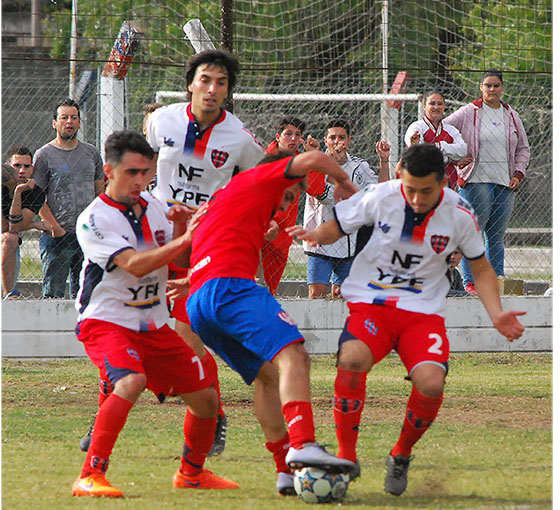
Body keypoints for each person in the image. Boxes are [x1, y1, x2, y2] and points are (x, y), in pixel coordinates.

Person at [287, 143, 525, 496]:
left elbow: (480, 266)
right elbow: (338, 223)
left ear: (443, 184)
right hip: (373, 303)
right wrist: (315, 236)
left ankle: (400, 455)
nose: (415, 198)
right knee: (352, 359)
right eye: (409, 188)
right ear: (399, 175)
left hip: (422, 312)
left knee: (431, 383)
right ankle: (347, 457)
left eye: (426, 191)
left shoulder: (460, 213)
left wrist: (497, 313)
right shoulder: (380, 195)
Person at [72, 130, 237, 498]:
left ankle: (191, 474)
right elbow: (132, 265)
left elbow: (178, 262)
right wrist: (183, 238)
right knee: (130, 382)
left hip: (153, 323)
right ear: (109, 171)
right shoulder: (95, 218)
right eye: (132, 172)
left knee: (207, 400)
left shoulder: (157, 207)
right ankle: (89, 475)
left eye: (146, 172)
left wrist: (180, 229)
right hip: (107, 322)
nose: (140, 181)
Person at [186, 150, 358, 495]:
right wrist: (344, 183)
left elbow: (197, 242)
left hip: (199, 299)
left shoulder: (226, 196)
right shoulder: (261, 178)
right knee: (294, 355)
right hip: (230, 286)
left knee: (267, 376)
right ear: (281, 177)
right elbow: (313, 158)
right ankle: (303, 442)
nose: (285, 204)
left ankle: (283, 469)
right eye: (291, 194)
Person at [145, 49, 265, 457]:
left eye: (221, 83)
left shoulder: (241, 139)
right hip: (156, 237)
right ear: (190, 84)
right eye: (205, 80)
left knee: (189, 338)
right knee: (128, 325)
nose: (212, 89)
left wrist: (242, 217)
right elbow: (137, 164)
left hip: (204, 242)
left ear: (228, 91)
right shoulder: (161, 121)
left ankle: (212, 418)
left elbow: (259, 186)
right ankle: (104, 417)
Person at [445, 70, 530, 295]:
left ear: (502, 88)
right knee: (472, 233)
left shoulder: (511, 114)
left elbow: (523, 148)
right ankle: (471, 283)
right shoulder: (468, 112)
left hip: (505, 183)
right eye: (487, 85)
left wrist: (518, 173)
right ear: (480, 87)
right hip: (476, 181)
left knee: (496, 237)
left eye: (496, 86)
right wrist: (455, 156)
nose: (491, 90)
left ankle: (496, 281)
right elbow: (442, 129)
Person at [303, 119, 390, 298]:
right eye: (332, 137)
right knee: (317, 294)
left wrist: (384, 162)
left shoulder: (359, 166)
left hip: (348, 243)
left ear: (349, 141)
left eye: (341, 137)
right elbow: (326, 197)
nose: (337, 142)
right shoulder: (316, 164)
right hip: (320, 244)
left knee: (343, 295)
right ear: (326, 140)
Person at [33, 97, 105, 299]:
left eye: (74, 118)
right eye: (64, 117)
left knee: (86, 297)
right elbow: (37, 198)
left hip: (87, 235)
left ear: (79, 122)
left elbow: (100, 192)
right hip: (58, 236)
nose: (69, 122)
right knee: (53, 297)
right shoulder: (44, 155)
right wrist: (55, 227)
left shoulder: (91, 153)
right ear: (54, 123)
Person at [261, 116, 322, 295]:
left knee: (269, 292)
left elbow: (317, 189)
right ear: (278, 136)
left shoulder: (301, 162)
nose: (294, 139)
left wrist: (313, 157)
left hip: (282, 238)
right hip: (259, 233)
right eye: (288, 134)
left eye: (298, 134)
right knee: (250, 287)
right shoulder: (263, 158)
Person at [1, 147, 50, 298]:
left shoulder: (35, 192)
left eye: (26, 166)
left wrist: (17, 193)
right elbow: (3, 226)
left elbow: (15, 227)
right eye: (17, 166)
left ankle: (7, 294)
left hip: (6, 245)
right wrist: (35, 224)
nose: (22, 171)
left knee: (10, 238)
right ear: (7, 166)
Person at [404, 90, 467, 190]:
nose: (436, 107)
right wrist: (450, 159)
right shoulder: (416, 127)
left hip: (450, 181)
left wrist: (439, 146)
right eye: (432, 103)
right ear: (424, 106)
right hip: (423, 180)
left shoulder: (450, 129)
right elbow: (420, 155)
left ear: (444, 107)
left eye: (440, 104)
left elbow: (463, 150)